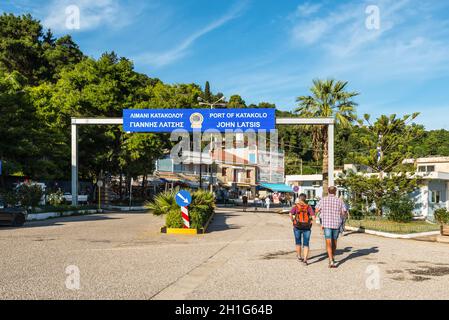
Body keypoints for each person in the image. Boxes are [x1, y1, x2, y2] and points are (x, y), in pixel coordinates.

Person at [315, 186, 347, 268]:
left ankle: (331, 260)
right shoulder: (340, 201)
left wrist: (321, 214)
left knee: (328, 242)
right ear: (335, 192)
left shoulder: (323, 200)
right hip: (336, 223)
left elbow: (316, 210)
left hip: (326, 224)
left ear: (328, 192)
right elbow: (344, 212)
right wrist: (339, 214)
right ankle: (332, 256)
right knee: (334, 241)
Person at [290, 194, 315, 265]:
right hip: (307, 227)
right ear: (305, 199)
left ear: (299, 199)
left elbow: (290, 214)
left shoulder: (296, 206)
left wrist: (293, 220)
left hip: (297, 226)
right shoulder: (309, 207)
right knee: (306, 243)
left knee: (298, 242)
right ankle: (305, 260)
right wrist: (310, 222)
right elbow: (313, 217)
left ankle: (299, 256)